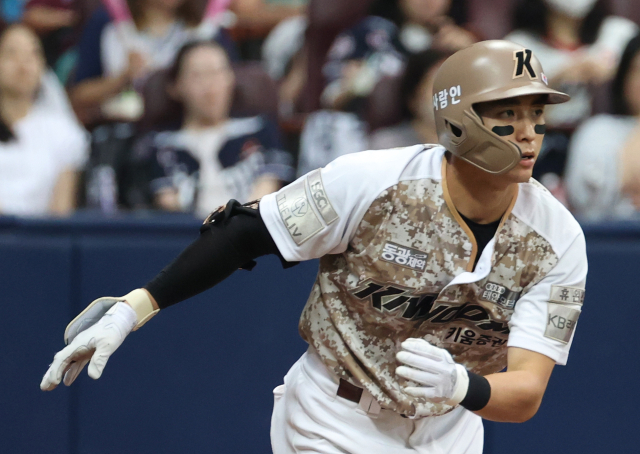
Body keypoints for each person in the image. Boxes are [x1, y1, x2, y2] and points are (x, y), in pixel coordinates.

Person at [41, 41, 587, 453]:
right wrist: (132, 309)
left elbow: (526, 393)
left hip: (452, 428)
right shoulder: (371, 180)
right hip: (335, 416)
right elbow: (241, 235)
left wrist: (463, 386)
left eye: (536, 114)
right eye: (507, 114)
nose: (529, 132)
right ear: (461, 121)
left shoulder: (557, 237)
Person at [133, 41, 294, 217]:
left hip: (252, 232)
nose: (210, 86)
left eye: (218, 72)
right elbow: (168, 202)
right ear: (176, 86)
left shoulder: (259, 129)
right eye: (198, 76)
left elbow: (267, 190)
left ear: (231, 78)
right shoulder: (160, 144)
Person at [0, 24, 88, 217]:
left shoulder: (64, 133)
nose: (23, 65)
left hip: (38, 241)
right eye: (11, 53)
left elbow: (61, 211)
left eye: (32, 54)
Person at [565, 33, 640, 220]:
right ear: (624, 78)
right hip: (609, 238)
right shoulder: (597, 130)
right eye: (638, 70)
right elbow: (587, 203)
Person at [369, 48, 448, 150]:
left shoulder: (471, 146)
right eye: (440, 86)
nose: (450, 95)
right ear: (414, 97)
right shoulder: (386, 146)